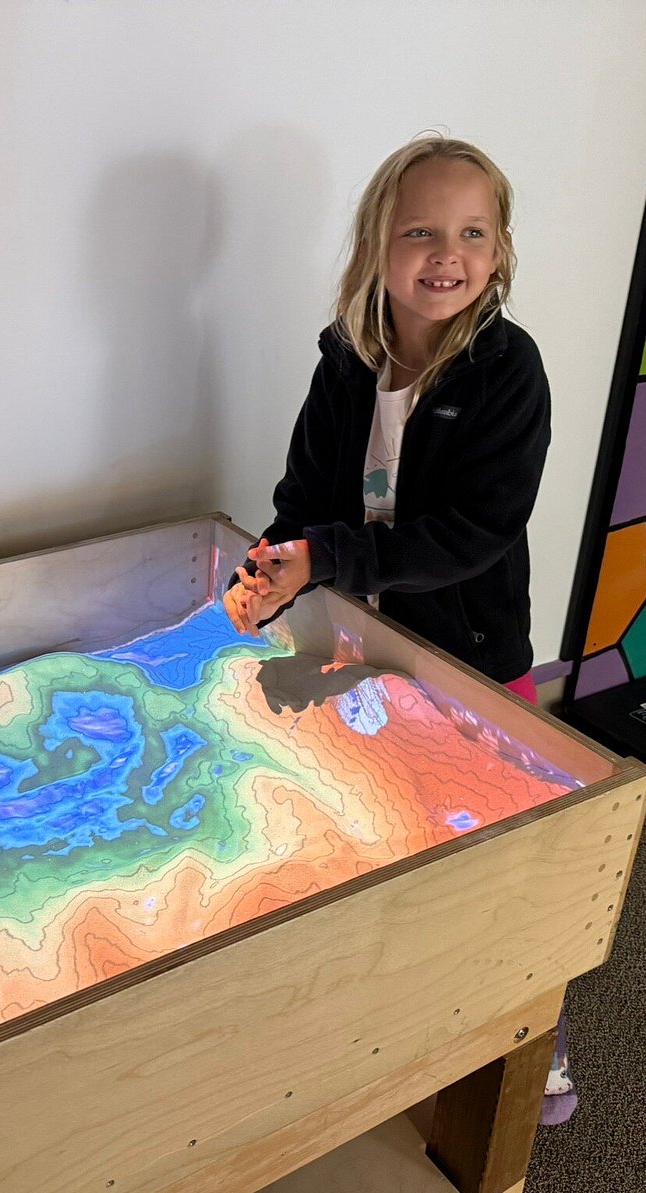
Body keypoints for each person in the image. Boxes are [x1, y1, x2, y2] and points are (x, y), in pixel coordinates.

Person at [223, 133, 576, 1123]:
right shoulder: (345, 359)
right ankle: (393, 1016)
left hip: (472, 654)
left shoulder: (509, 371)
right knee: (386, 832)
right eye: (420, 230)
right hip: (361, 649)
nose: (445, 254)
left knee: (499, 855)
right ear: (378, 243)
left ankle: (533, 1032)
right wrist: (268, 572)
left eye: (471, 232)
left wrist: (326, 558)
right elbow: (302, 497)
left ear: (500, 253)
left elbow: (474, 534)